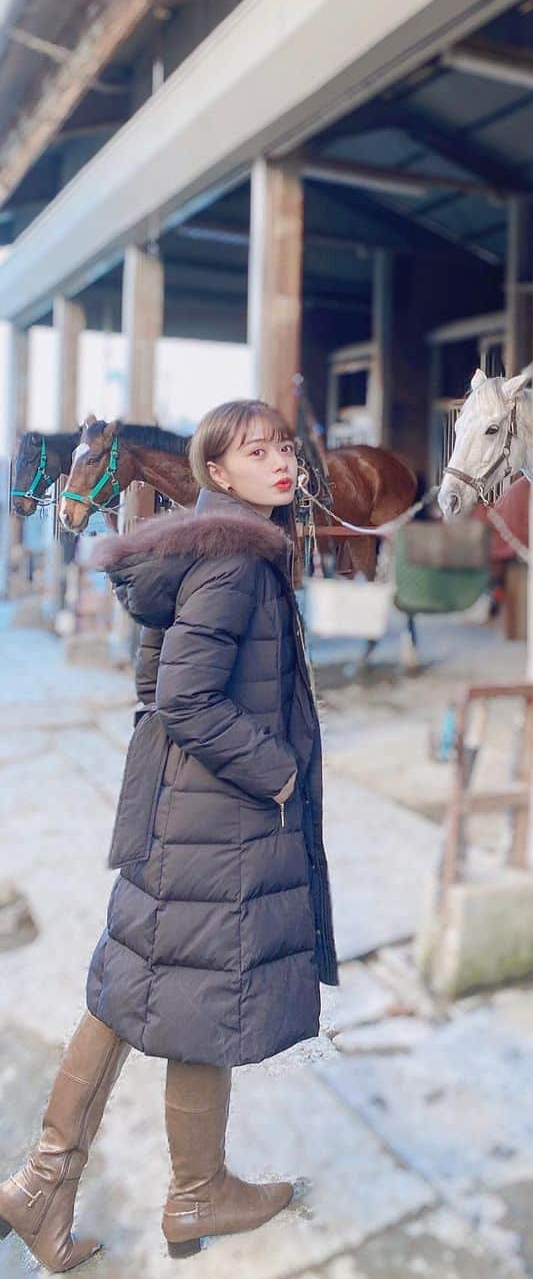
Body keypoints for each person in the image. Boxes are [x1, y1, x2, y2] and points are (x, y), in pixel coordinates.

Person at [0, 400, 338, 1270]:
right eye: (256, 451)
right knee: (200, 987)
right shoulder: (235, 562)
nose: (281, 459)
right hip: (220, 815)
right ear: (217, 475)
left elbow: (155, 681)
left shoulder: (206, 545)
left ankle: (45, 1182)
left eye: (283, 446)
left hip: (179, 808)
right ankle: (192, 1193)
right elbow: (187, 698)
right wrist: (279, 770)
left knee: (142, 978)